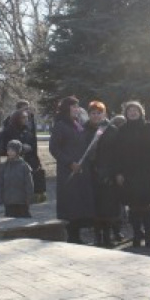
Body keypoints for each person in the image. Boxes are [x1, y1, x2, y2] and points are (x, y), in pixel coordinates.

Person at [115, 101, 150, 248]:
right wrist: (119, 172)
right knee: (133, 206)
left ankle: (148, 235)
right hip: (129, 172)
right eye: (130, 111)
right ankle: (136, 235)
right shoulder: (122, 130)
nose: (133, 112)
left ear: (141, 112)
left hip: (147, 172)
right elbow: (118, 153)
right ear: (126, 113)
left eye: (135, 110)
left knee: (146, 205)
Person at [49, 96, 95, 243]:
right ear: (67, 108)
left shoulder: (78, 124)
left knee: (80, 204)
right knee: (71, 205)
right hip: (68, 171)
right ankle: (72, 237)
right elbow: (54, 148)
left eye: (78, 106)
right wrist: (70, 163)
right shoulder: (61, 125)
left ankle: (77, 236)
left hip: (81, 170)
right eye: (74, 107)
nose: (77, 109)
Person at [83, 101, 122, 247]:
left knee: (108, 207)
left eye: (99, 113)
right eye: (93, 113)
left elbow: (118, 154)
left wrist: (115, 172)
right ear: (89, 114)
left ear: (104, 114)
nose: (96, 116)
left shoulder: (111, 130)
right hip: (90, 173)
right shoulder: (84, 129)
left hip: (108, 174)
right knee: (94, 206)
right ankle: (97, 236)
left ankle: (107, 236)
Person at [0, 108, 46, 203]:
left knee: (28, 184)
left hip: (28, 162)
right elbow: (3, 148)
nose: (26, 120)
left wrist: (37, 162)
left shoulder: (28, 132)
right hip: (13, 164)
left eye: (27, 117)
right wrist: (20, 148)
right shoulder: (8, 132)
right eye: (23, 117)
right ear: (17, 118)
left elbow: (33, 148)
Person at [0, 139, 34, 218]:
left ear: (18, 152)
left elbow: (29, 184)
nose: (10, 152)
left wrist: (29, 198)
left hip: (22, 203)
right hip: (9, 203)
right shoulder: (3, 166)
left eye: (12, 150)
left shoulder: (24, 166)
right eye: (8, 150)